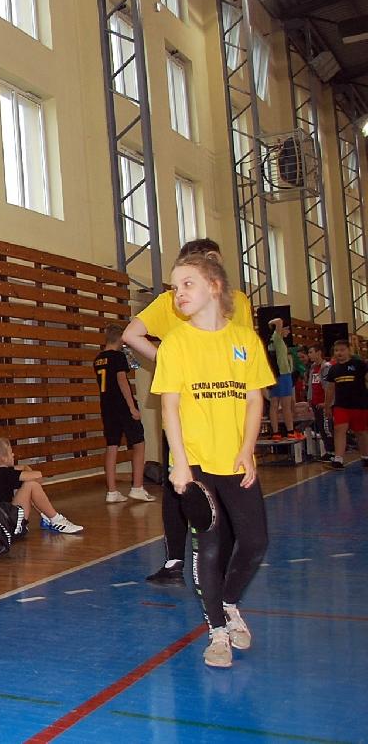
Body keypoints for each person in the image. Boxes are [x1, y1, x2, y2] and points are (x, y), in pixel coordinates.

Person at [151, 251, 272, 669]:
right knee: (212, 545)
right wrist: (179, 463)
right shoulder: (175, 343)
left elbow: (254, 399)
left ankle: (230, 603)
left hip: (235, 460)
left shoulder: (245, 340)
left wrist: (247, 449)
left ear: (214, 287)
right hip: (196, 463)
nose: (178, 294)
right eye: (174, 287)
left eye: (187, 284)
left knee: (255, 542)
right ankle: (218, 632)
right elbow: (169, 407)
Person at [124, 238, 252, 586]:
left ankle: (183, 562)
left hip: (221, 411)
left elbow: (245, 352)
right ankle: (189, 562)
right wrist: (173, 363)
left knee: (195, 484)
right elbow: (131, 335)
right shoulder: (176, 301)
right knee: (188, 484)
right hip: (196, 411)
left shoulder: (236, 302)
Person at [93, 324, 153, 504]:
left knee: (112, 445)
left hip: (107, 407)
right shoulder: (118, 356)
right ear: (120, 338)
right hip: (122, 405)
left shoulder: (98, 359)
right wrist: (132, 407)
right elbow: (122, 381)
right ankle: (137, 487)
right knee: (139, 443)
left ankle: (112, 491)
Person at [0, 438, 83, 534]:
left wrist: (28, 471)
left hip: (7, 520)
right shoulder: (5, 474)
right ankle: (56, 519)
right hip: (9, 523)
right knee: (31, 485)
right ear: (3, 458)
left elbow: (24, 467)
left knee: (28, 484)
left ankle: (47, 518)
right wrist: (32, 477)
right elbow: (38, 475)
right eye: (10, 453)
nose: (13, 455)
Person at [322, 339, 368, 469]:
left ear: (349, 350)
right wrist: (327, 406)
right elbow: (330, 389)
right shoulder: (333, 369)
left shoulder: (359, 364)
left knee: (361, 432)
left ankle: (366, 457)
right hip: (341, 406)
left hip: (359, 405)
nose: (339, 353)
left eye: (342, 350)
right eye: (336, 350)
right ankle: (338, 460)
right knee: (339, 429)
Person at [265, 318, 300, 440]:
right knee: (285, 405)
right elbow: (279, 320)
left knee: (274, 404)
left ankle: (276, 433)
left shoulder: (274, 341)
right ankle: (290, 431)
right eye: (287, 329)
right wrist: (271, 324)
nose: (288, 331)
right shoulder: (277, 338)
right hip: (283, 374)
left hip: (276, 375)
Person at [306, 344, 333, 456]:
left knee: (327, 429)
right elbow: (311, 385)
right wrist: (309, 399)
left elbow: (328, 386)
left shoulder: (326, 367)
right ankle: (328, 451)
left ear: (319, 352)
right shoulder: (312, 368)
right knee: (321, 428)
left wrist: (327, 403)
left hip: (324, 403)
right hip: (315, 402)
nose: (309, 355)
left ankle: (333, 452)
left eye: (311, 352)